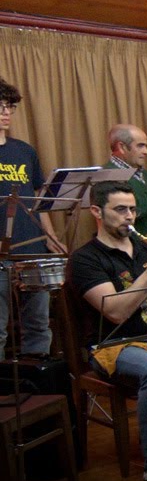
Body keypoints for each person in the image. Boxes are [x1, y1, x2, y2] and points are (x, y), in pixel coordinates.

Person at [68, 181, 147, 481]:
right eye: (120, 210)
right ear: (96, 211)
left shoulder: (145, 247)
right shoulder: (85, 259)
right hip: (110, 346)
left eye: (132, 209)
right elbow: (116, 313)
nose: (129, 216)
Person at [0, 77, 61, 358]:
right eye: (0, 106)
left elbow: (38, 196)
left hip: (32, 248)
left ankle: (38, 390)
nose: (6, 113)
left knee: (37, 323)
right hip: (1, 252)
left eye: (10, 106)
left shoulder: (24, 150)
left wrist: (49, 236)